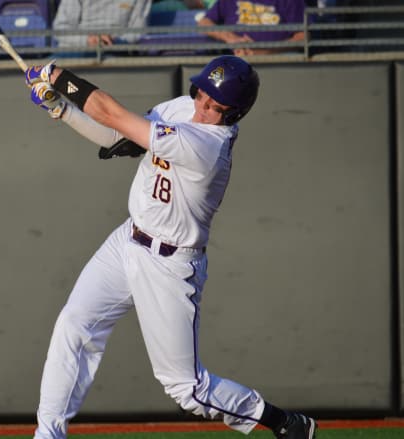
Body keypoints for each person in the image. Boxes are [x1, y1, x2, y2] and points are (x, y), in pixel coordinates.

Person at [23, 55, 317, 439]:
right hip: (129, 239)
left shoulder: (208, 145)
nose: (204, 108)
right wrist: (60, 107)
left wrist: (60, 78)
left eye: (217, 106)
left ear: (235, 114)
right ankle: (47, 435)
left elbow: (112, 115)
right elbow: (118, 138)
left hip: (170, 264)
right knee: (73, 325)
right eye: (203, 95)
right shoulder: (183, 108)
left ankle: (282, 421)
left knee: (187, 390)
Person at [197, 0, 305, 55]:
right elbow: (204, 23)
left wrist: (265, 52)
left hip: (277, 61)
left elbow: (303, 36)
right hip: (234, 60)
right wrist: (233, 39)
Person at [51, 0, 151, 51]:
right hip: (74, 51)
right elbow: (60, 28)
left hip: (116, 52)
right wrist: (88, 40)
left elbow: (138, 32)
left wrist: (112, 40)